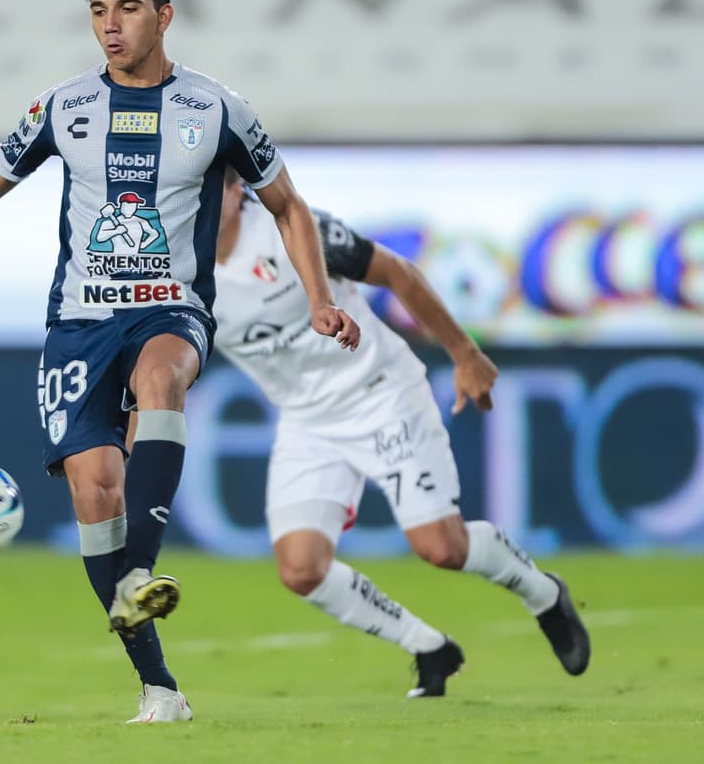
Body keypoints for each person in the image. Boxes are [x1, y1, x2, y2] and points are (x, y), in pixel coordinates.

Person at [0, 0, 361, 723]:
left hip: (171, 308)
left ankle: (140, 571)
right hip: (79, 322)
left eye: (126, 8)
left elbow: (287, 204)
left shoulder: (217, 109)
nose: (110, 27)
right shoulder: (63, 109)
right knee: (95, 489)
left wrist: (319, 298)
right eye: (97, 11)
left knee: (162, 381)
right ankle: (158, 684)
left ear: (164, 13)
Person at [210, 168, 590, 698]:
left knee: (441, 548)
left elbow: (398, 272)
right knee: (300, 570)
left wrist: (465, 354)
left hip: (379, 392)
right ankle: (429, 647)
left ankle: (544, 593)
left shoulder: (294, 231)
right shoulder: (173, 266)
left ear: (236, 189)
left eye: (206, 187)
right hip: (307, 419)